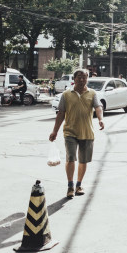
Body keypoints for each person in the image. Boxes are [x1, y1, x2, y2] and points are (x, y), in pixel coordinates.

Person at [49, 69, 104, 198]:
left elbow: (98, 107)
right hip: (70, 131)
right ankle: (70, 186)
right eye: (79, 77)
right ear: (73, 79)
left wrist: (101, 119)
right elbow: (61, 113)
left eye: (84, 77)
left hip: (87, 132)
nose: (82, 80)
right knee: (71, 158)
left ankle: (79, 184)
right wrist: (55, 131)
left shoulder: (92, 93)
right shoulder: (66, 94)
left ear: (87, 79)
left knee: (83, 161)